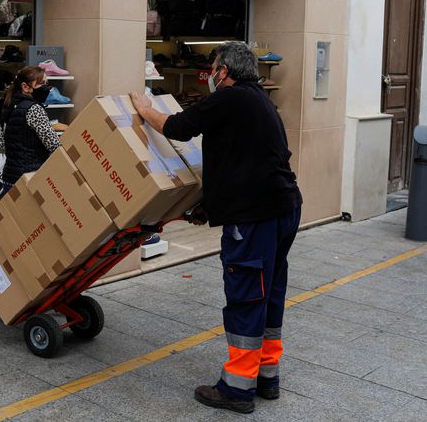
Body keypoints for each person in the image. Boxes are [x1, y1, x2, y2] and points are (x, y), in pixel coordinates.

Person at [130, 41, 303, 414]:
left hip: (256, 216)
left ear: (224, 71)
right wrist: (212, 205)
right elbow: (241, 160)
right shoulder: (259, 101)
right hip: (283, 208)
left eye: (213, 68)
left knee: (246, 294)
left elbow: (179, 127)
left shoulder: (231, 98)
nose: (210, 75)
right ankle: (265, 376)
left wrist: (145, 109)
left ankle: (238, 387)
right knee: (269, 291)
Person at [0, 65, 60, 188]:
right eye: (41, 83)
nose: (46, 87)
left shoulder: (9, 105)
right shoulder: (34, 109)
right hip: (30, 179)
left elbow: (1, 143)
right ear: (25, 87)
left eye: (46, 82)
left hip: (9, 178)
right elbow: (53, 144)